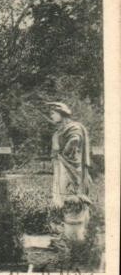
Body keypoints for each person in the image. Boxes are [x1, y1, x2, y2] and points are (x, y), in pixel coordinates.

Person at [46, 102, 92, 240]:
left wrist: (65, 152)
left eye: (53, 113)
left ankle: (75, 235)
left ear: (61, 113)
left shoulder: (73, 127)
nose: (52, 116)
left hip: (71, 166)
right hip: (61, 164)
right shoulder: (59, 130)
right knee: (61, 193)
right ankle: (66, 232)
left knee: (71, 193)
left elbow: (75, 139)